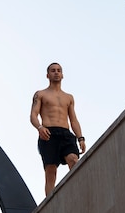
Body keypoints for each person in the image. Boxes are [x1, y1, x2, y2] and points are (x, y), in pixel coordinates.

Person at [30, 62, 86, 196]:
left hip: (66, 134)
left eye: (59, 70)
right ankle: (50, 202)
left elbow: (73, 119)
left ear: (62, 75)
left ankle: (78, 193)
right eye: (53, 70)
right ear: (47, 75)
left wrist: (80, 138)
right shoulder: (41, 94)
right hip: (49, 133)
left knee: (74, 160)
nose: (56, 72)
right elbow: (33, 115)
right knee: (51, 171)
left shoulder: (69, 97)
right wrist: (39, 127)